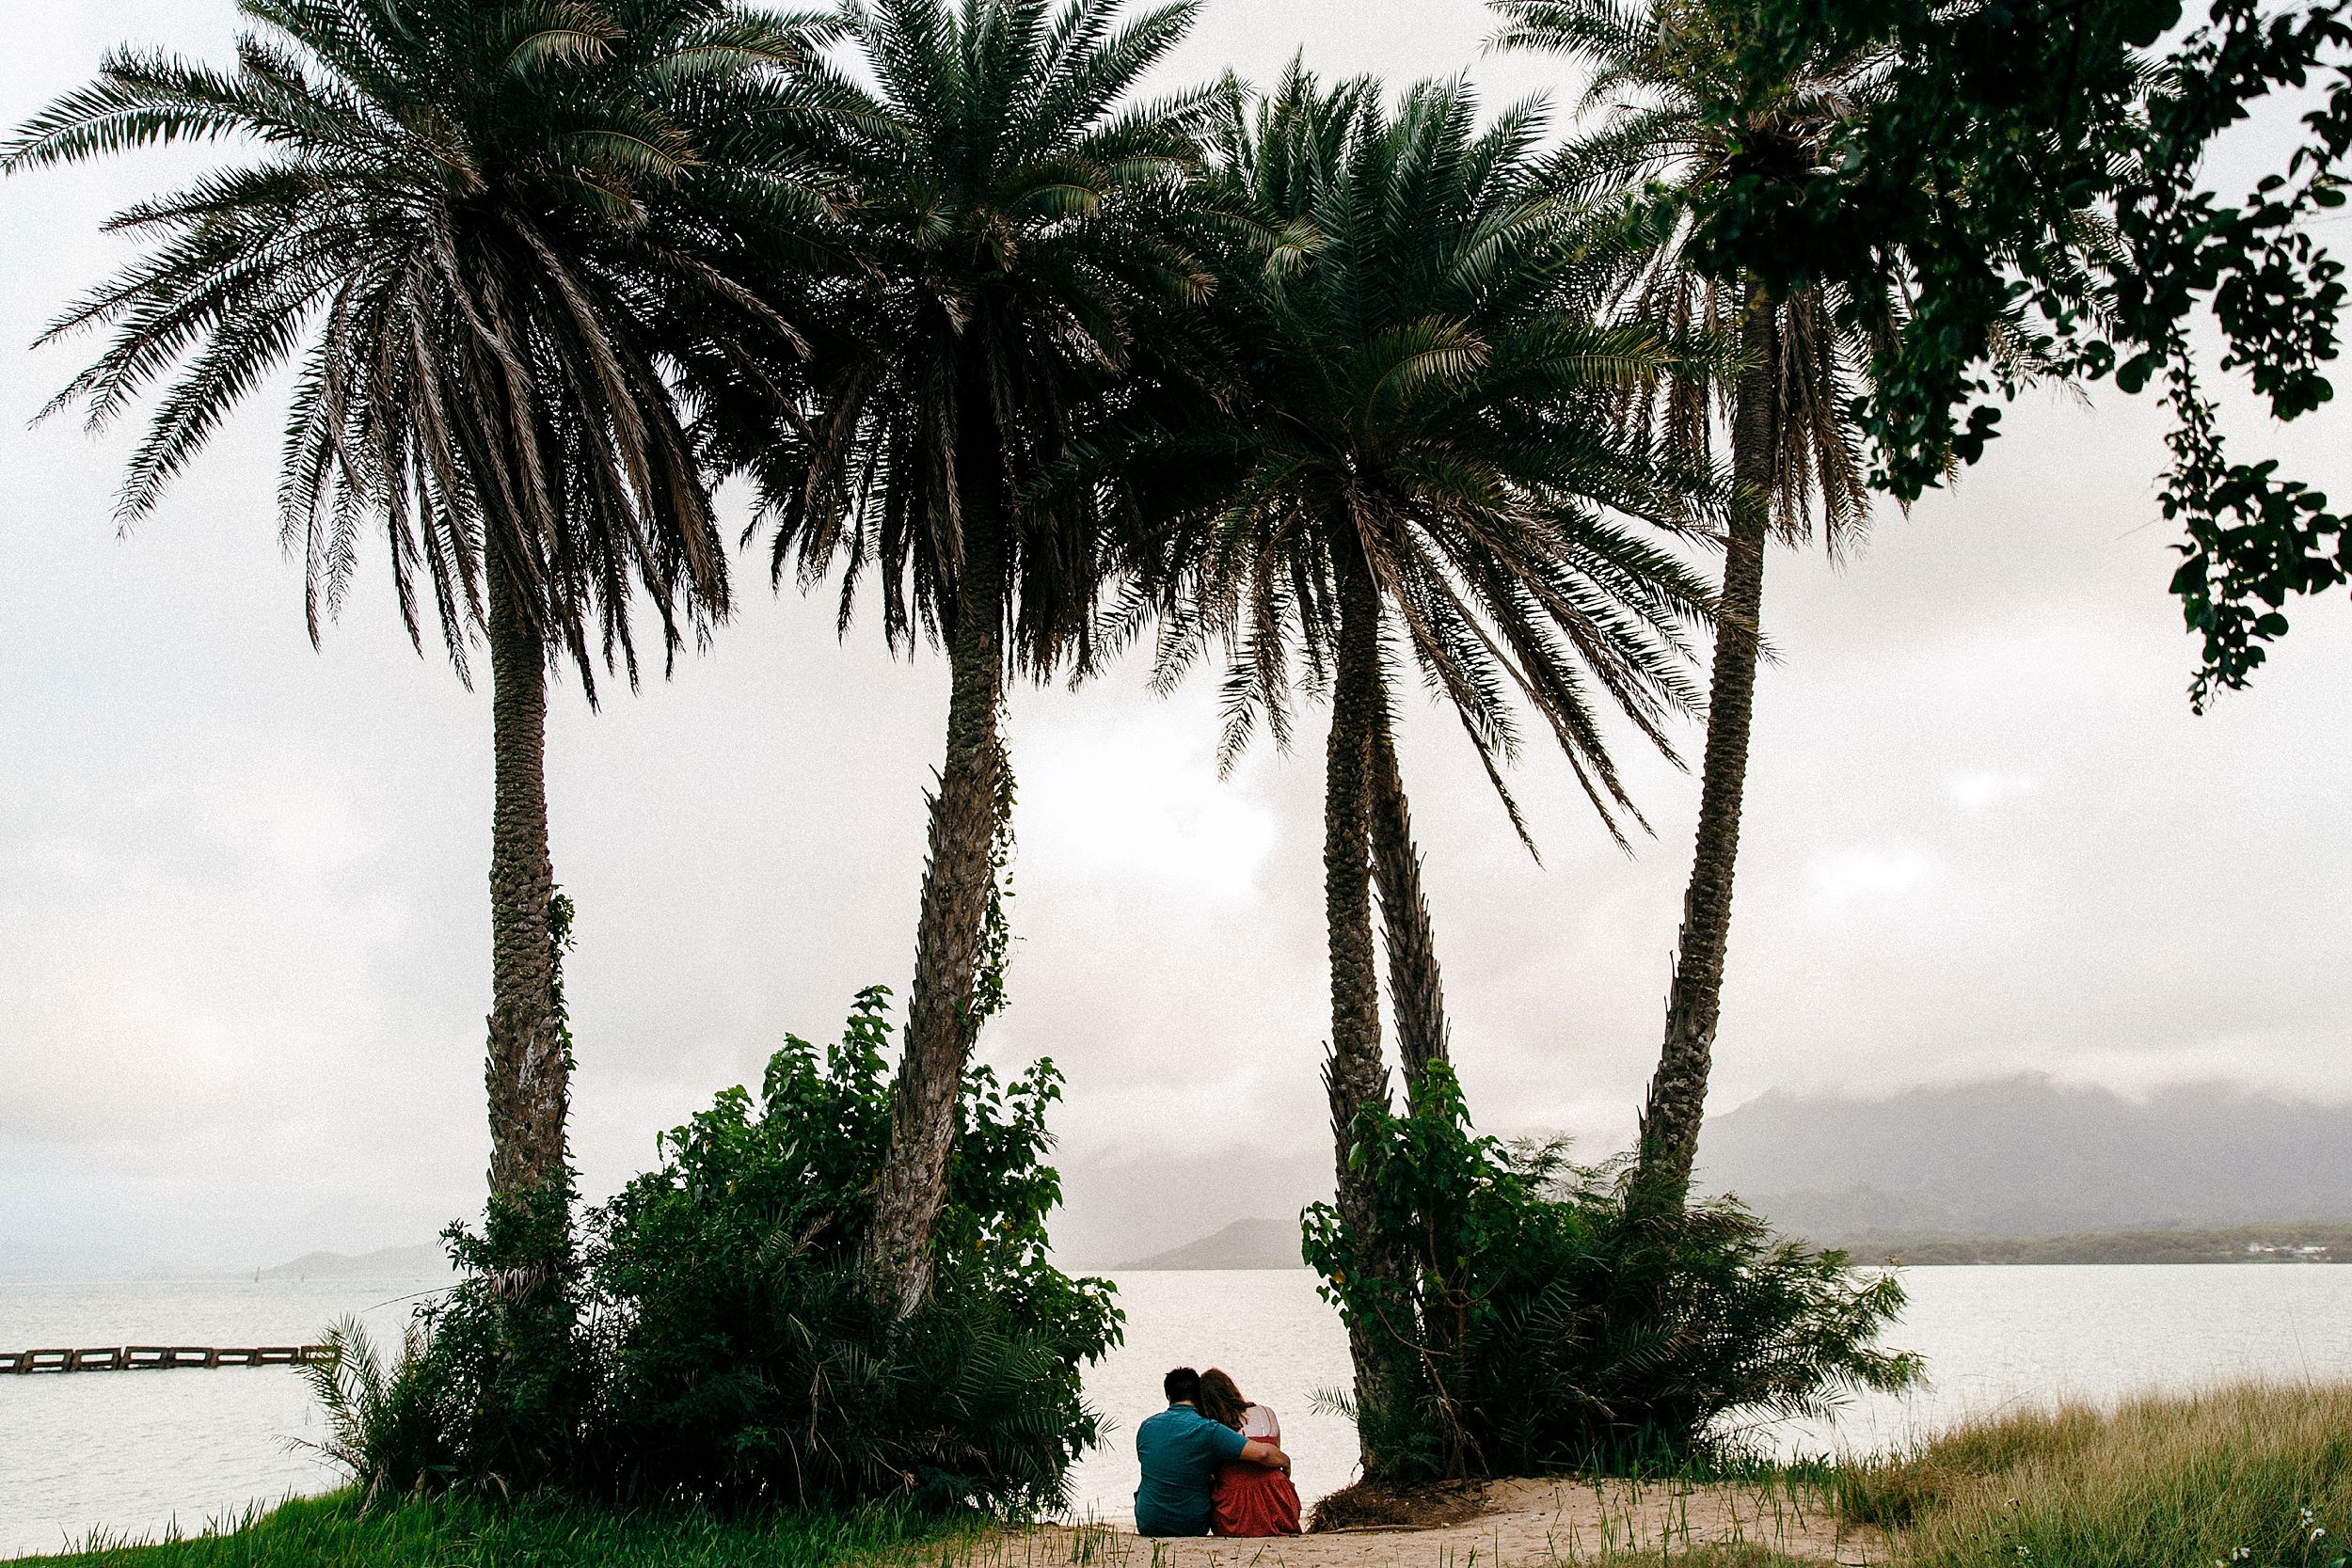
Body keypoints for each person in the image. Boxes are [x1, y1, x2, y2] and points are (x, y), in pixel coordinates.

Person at [1135, 1366, 1291, 1537]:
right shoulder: (1208, 1429)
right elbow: (1263, 1454)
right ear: (1198, 1396)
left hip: (1148, 1524)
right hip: (1191, 1526)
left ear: (1168, 1396)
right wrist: (1285, 1461)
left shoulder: (1146, 1427)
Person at [1198, 1368, 1302, 1537]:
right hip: (1279, 1501)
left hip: (1236, 1511)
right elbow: (1275, 1454)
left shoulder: (1212, 1428)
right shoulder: (1266, 1413)